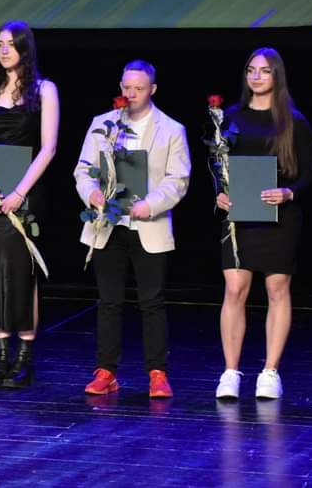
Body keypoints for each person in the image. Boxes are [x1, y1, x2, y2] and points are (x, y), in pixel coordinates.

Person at [73, 60, 190, 398]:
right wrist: (92, 193)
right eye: (127, 87)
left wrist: (149, 204)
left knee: (151, 302)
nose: (131, 94)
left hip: (148, 224)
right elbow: (83, 168)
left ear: (152, 89)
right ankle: (106, 371)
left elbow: (178, 179)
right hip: (108, 223)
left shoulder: (171, 129)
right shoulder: (103, 123)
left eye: (139, 88)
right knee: (109, 301)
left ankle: (157, 373)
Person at [213, 48, 312, 401]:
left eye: (265, 71)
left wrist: (289, 193)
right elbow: (218, 165)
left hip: (279, 217)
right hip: (240, 215)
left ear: (277, 76)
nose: (256, 76)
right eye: (251, 70)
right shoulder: (230, 117)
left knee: (277, 289)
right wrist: (219, 193)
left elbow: (308, 175)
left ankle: (270, 372)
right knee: (235, 289)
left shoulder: (294, 121)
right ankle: (230, 372)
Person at [0, 21, 58, 389]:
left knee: (23, 272)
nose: (4, 50)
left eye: (11, 44)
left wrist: (20, 192)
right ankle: (1, 353)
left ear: (25, 48)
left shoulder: (44, 89)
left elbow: (48, 147)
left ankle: (24, 356)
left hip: (26, 189)